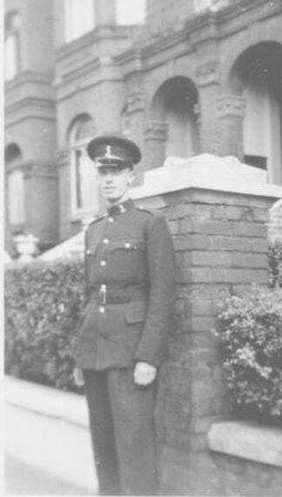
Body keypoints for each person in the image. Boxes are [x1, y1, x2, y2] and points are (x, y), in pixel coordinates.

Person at [72, 134, 176, 495]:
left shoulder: (150, 224)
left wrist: (149, 356)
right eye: (104, 172)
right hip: (95, 351)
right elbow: (90, 294)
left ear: (131, 175)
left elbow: (162, 294)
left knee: (133, 444)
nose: (110, 179)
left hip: (131, 353)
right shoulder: (94, 230)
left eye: (117, 171)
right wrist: (80, 353)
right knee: (103, 445)